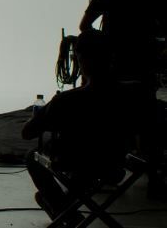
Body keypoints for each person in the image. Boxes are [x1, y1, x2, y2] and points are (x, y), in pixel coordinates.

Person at [22, 30, 136, 225]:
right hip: (114, 163)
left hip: (75, 160)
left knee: (32, 157)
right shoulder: (133, 93)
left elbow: (27, 133)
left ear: (80, 59)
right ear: (111, 57)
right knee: (88, 162)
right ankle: (64, 207)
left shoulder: (66, 100)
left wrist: (40, 115)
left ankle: (64, 211)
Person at [79, 0, 166, 197]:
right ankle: (154, 177)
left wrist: (105, 43)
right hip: (143, 68)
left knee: (107, 116)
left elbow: (85, 26)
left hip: (112, 68)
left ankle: (106, 167)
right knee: (148, 117)